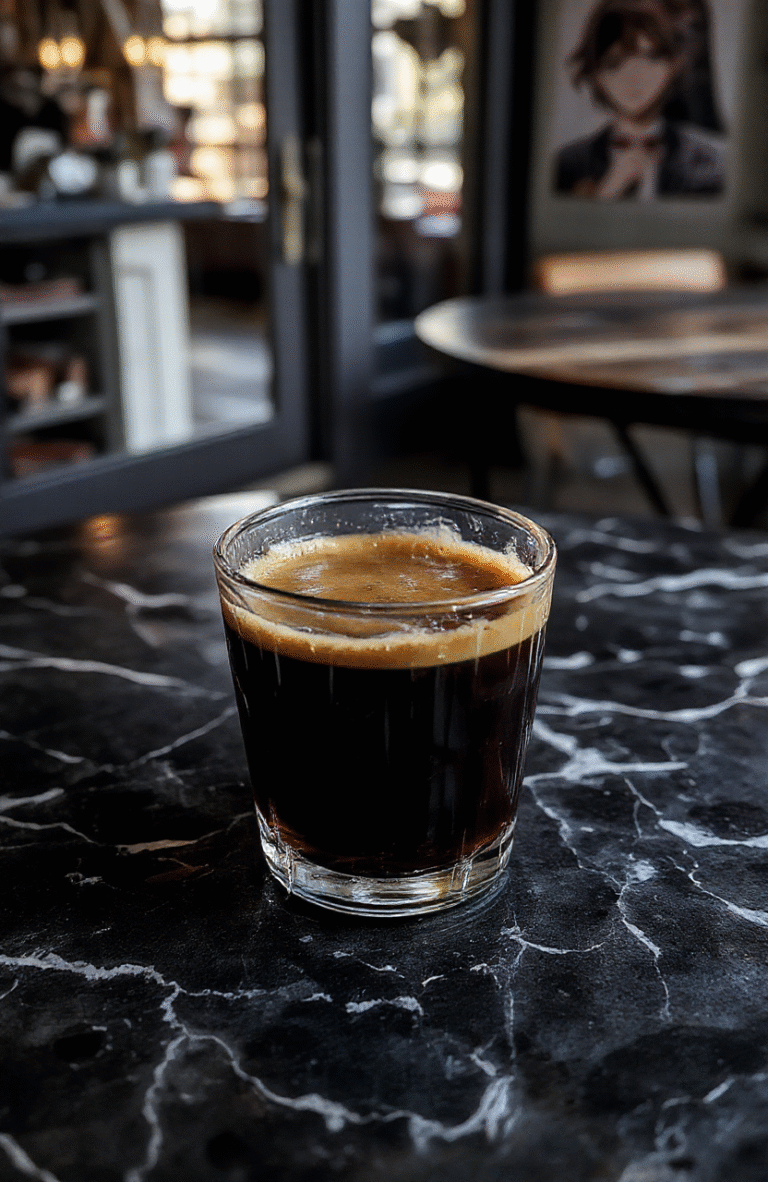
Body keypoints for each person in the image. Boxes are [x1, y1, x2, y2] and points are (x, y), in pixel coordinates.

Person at [554, 0, 726, 199]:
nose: (633, 77)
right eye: (614, 63)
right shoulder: (567, 164)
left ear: (674, 64)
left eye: (650, 57)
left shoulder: (715, 162)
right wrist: (607, 192)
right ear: (595, 73)